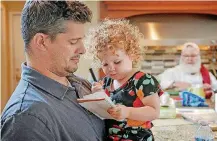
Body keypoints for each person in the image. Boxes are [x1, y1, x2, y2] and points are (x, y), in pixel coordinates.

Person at [1, 1, 105, 141]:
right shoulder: (27, 119)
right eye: (73, 41)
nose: (83, 50)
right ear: (41, 42)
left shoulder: (81, 84)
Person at [84, 19, 163, 141]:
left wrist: (128, 112)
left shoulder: (143, 81)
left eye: (117, 62)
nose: (111, 68)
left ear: (132, 54)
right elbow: (107, 108)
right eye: (105, 64)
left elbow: (154, 111)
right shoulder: (106, 82)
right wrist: (98, 94)